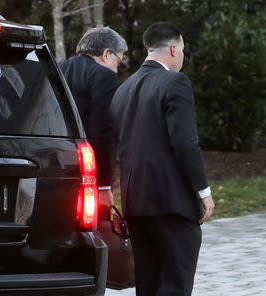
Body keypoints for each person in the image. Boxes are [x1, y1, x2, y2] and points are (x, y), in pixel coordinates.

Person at [109, 22, 215, 295]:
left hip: (136, 204)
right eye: (182, 49)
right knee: (175, 284)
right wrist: (203, 191)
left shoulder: (124, 89)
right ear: (172, 48)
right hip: (172, 204)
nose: (182, 56)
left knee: (148, 285)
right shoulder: (175, 82)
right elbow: (185, 144)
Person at [59, 27, 128, 209]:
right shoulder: (104, 76)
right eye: (118, 62)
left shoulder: (58, 69)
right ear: (106, 54)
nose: (116, 69)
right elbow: (104, 133)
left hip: (57, 163)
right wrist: (104, 186)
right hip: (88, 170)